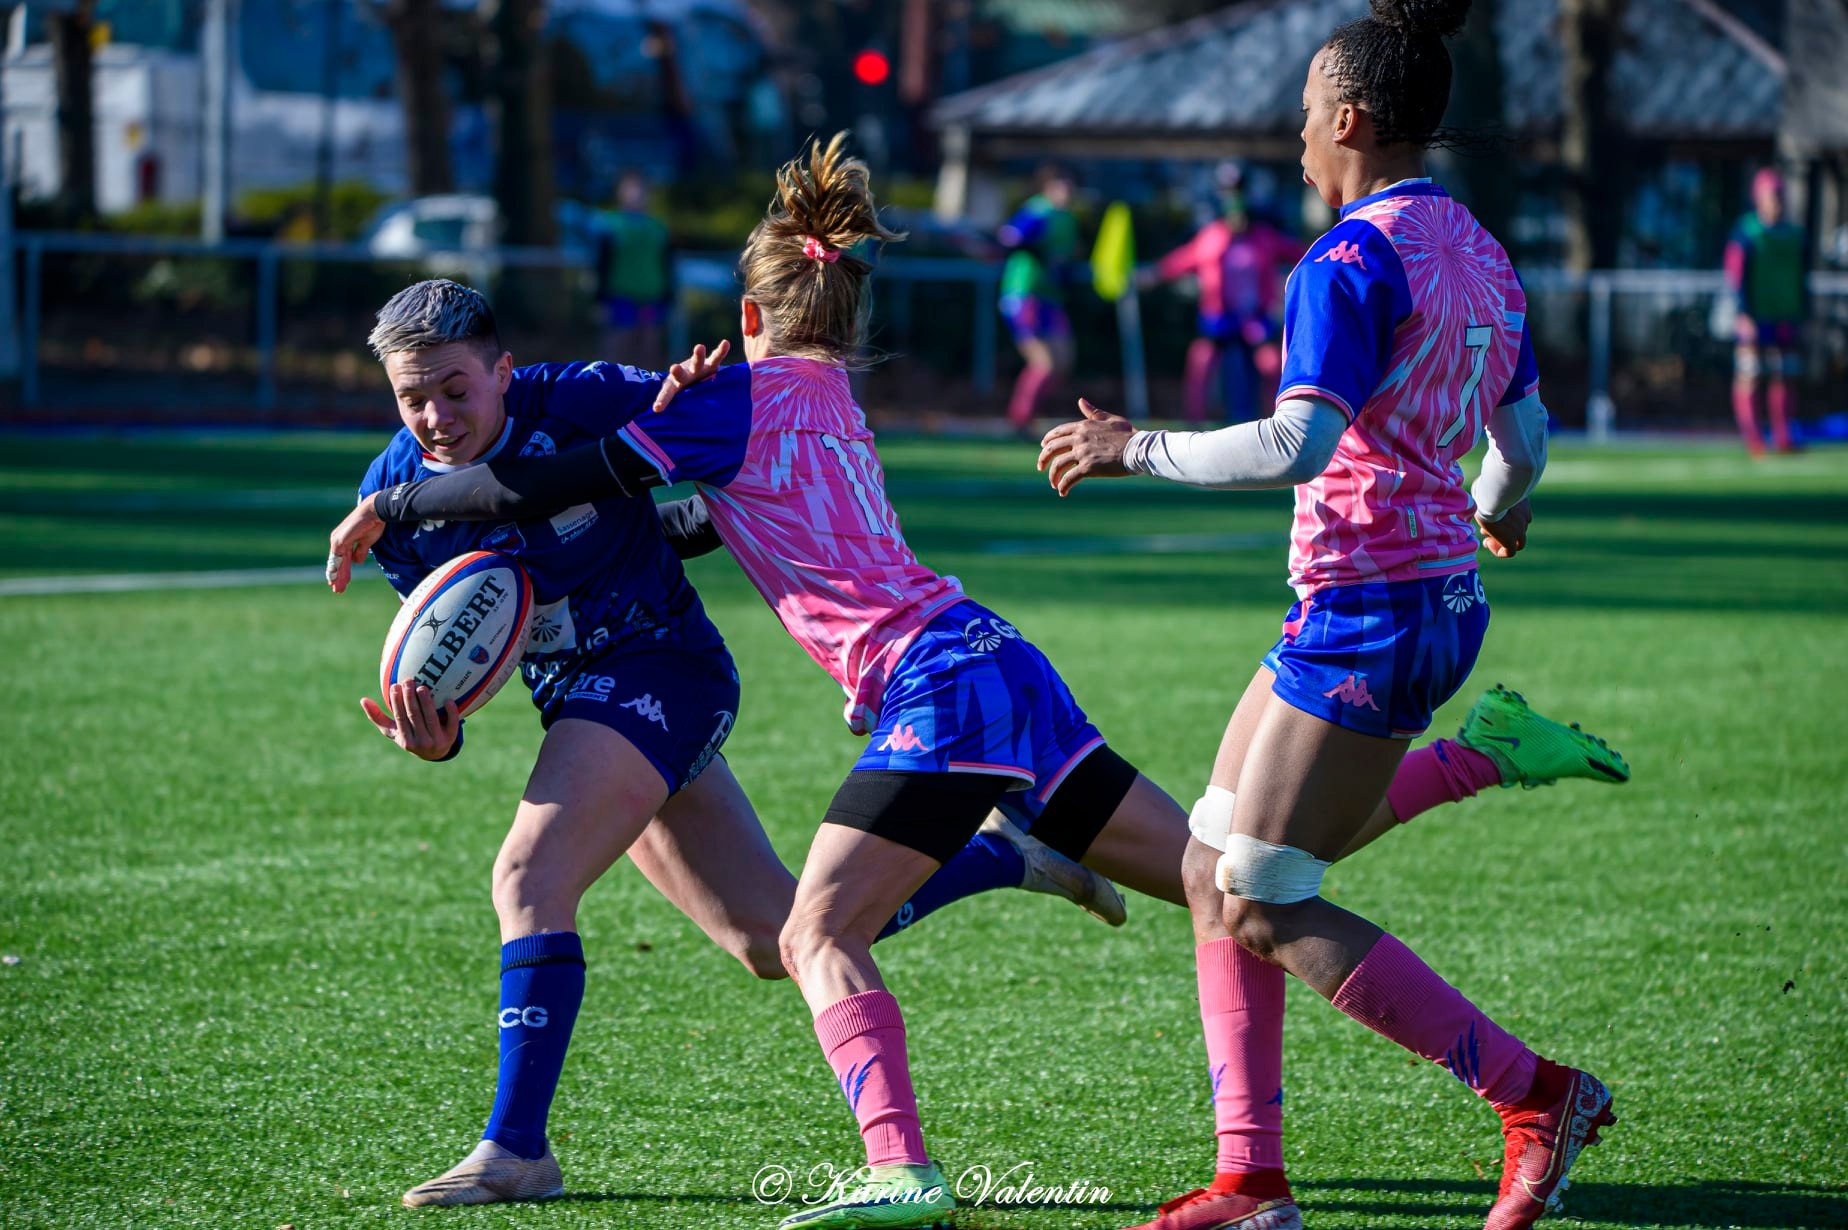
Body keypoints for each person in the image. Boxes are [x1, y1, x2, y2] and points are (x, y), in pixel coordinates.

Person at [328, 134, 1628, 1230]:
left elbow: (547, 481)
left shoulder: (727, 404)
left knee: (812, 934)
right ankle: (1318, 1141)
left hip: (934, 686)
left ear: (747, 317)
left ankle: (900, 1166)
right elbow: (665, 504)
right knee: (1225, 887)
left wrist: (396, 500)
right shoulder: (827, 393)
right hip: (1003, 665)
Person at [326, 279, 1123, 1210]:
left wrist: (686, 393)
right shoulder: (389, 502)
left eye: (455, 389)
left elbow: (718, 449)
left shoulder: (577, 396)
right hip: (579, 704)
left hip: (664, 669)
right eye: (410, 397)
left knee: (527, 878)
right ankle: (1013, 855)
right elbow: (467, 661)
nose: (434, 416)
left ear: (504, 370)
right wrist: (438, 736)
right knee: (769, 939)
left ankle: (516, 1148)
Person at [1038, 2, 1621, 1226]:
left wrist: (1130, 445)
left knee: (1258, 892)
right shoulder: (1477, 248)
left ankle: (1537, 1094)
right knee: (1210, 867)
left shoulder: (1349, 260)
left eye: (1307, 110)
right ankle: (1250, 1181)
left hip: (1375, 609)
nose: (1297, 134)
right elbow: (1523, 441)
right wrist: (1492, 506)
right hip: (1402, 598)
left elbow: (1297, 443)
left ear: (1349, 118)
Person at [1148, 169, 1303, 423]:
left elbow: (1301, 253)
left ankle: (1278, 421)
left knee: (1272, 364)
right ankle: (1194, 424)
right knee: (1201, 362)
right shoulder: (1212, 236)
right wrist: (1153, 274)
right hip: (1220, 319)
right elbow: (1180, 261)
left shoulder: (1265, 237)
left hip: (1254, 319)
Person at [1725, 167, 1808, 456]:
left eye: (1780, 195)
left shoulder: (1794, 235)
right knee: (1750, 373)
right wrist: (1742, 312)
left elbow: (1801, 277)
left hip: (1785, 313)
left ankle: (1784, 436)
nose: (1777, 201)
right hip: (1754, 314)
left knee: (1783, 373)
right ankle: (1754, 437)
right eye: (1771, 196)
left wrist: (1803, 311)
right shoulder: (1747, 231)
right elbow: (1735, 274)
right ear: (1758, 198)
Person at [998, 165, 1081, 433]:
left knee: (1063, 360)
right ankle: (1020, 420)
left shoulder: (1067, 218)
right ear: (1049, 187)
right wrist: (1037, 252)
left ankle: (1033, 413)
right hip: (1024, 294)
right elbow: (1010, 237)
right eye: (1062, 184)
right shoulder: (1038, 211)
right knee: (1043, 363)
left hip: (1050, 298)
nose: (1068, 191)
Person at [595, 169, 673, 365]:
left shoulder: (657, 228)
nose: (636, 194)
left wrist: (668, 296)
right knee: (618, 343)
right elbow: (602, 263)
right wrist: (601, 298)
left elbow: (667, 264)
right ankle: (610, 386)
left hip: (651, 295)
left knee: (650, 344)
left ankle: (649, 389)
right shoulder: (610, 225)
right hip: (620, 295)